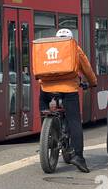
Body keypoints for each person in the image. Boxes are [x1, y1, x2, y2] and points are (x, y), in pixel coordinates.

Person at [39, 27, 97, 173]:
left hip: (46, 88)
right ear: (71, 38)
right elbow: (86, 68)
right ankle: (78, 157)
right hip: (69, 89)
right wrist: (92, 82)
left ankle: (46, 137)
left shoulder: (47, 47)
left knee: (44, 109)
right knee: (74, 122)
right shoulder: (75, 48)